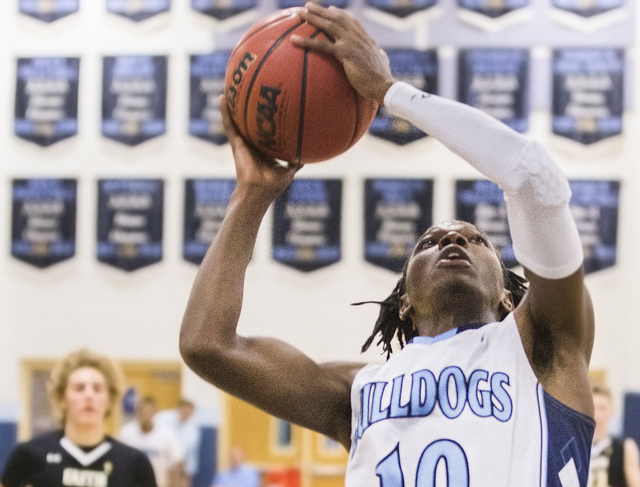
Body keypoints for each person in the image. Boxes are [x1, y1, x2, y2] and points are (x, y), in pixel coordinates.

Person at [179, 3, 596, 486]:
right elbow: (207, 345)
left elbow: (534, 178)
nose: (454, 238)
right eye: (429, 242)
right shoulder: (356, 390)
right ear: (403, 302)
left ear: (508, 293)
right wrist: (251, 196)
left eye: (477, 239)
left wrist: (387, 91)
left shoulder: (543, 348)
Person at [0, 348, 157, 487]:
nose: (89, 395)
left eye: (97, 388)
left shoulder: (135, 463)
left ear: (110, 400)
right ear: (61, 398)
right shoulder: (28, 455)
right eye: (79, 388)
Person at [119, 396, 185, 487]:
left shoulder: (166, 434)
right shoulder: (126, 433)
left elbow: (178, 460)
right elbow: (118, 459)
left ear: (155, 413)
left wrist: (174, 483)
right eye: (143, 411)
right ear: (138, 412)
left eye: (149, 412)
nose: (146, 415)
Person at [590, 384, 640, 487]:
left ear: (611, 410)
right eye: (593, 408)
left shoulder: (625, 446)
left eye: (602, 408)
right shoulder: (577, 446)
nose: (597, 414)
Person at [155, 398, 201, 487]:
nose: (186, 415)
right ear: (179, 409)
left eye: (189, 413)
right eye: (184, 411)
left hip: (178, 467)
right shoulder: (161, 419)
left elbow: (191, 454)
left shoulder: (193, 430)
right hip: (160, 462)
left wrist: (187, 475)